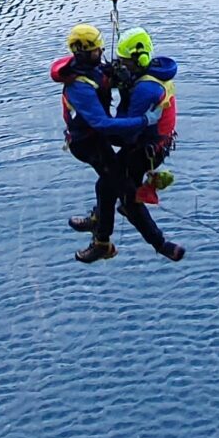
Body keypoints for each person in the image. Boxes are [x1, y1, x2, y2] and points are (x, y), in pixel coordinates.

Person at [87, 27, 184, 263]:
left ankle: (158, 243)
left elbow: (128, 131)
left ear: (138, 60)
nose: (122, 66)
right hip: (154, 146)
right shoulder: (153, 73)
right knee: (111, 186)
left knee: (118, 192)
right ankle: (100, 222)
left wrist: (102, 127)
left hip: (143, 149)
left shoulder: (145, 88)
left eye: (125, 62)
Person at [50, 24, 143, 253]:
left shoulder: (89, 70)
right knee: (120, 187)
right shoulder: (78, 85)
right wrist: (144, 121)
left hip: (95, 139)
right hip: (88, 143)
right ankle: (107, 241)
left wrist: (118, 75)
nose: (101, 53)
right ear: (83, 52)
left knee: (107, 183)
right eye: (96, 50)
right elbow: (101, 122)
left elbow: (103, 77)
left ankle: (99, 224)